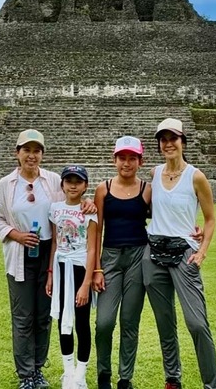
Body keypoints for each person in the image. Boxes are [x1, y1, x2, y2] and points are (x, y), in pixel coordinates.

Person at [0, 129, 95, 389]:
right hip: (20, 254)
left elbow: (71, 202)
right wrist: (17, 235)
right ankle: (26, 373)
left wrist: (88, 203)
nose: (31, 155)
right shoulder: (6, 185)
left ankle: (38, 368)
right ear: (17, 153)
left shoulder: (52, 181)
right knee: (23, 315)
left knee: (44, 315)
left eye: (37, 151)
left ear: (42, 154)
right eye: (26, 150)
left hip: (50, 255)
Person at [143, 118, 216, 389]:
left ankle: (212, 385)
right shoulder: (154, 173)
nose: (168, 144)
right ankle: (172, 379)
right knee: (165, 324)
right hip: (154, 252)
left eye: (173, 138)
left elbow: (210, 219)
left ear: (183, 142)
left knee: (196, 323)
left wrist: (202, 251)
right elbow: (141, 207)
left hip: (185, 252)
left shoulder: (195, 176)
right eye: (163, 139)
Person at [91, 136, 151, 389]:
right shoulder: (103, 188)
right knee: (104, 322)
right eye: (122, 158)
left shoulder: (147, 189)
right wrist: (97, 268)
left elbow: (163, 221)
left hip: (139, 256)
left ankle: (125, 378)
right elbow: (96, 231)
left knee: (130, 321)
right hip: (111, 258)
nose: (127, 163)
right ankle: (103, 374)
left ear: (140, 161)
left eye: (132, 158)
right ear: (114, 160)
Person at [46, 165, 98, 389]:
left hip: (79, 269)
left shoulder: (90, 211)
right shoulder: (55, 209)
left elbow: (92, 249)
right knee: (62, 323)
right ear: (62, 184)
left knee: (82, 322)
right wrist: (50, 274)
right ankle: (68, 372)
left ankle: (81, 373)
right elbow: (55, 243)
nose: (73, 185)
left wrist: (86, 283)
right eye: (69, 180)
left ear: (86, 185)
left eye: (78, 181)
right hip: (60, 268)